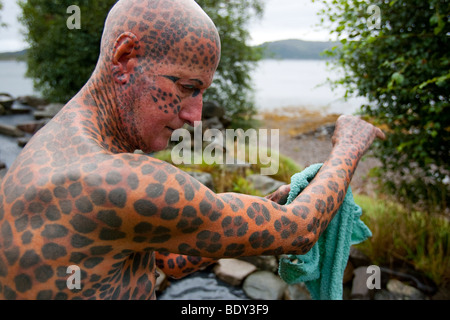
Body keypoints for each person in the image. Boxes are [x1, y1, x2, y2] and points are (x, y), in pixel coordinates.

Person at [0, 0, 385, 300]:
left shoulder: (60, 142)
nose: (195, 116)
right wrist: (348, 145)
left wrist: (270, 204)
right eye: (187, 88)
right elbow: (299, 232)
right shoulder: (114, 180)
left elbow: (170, 261)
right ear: (124, 59)